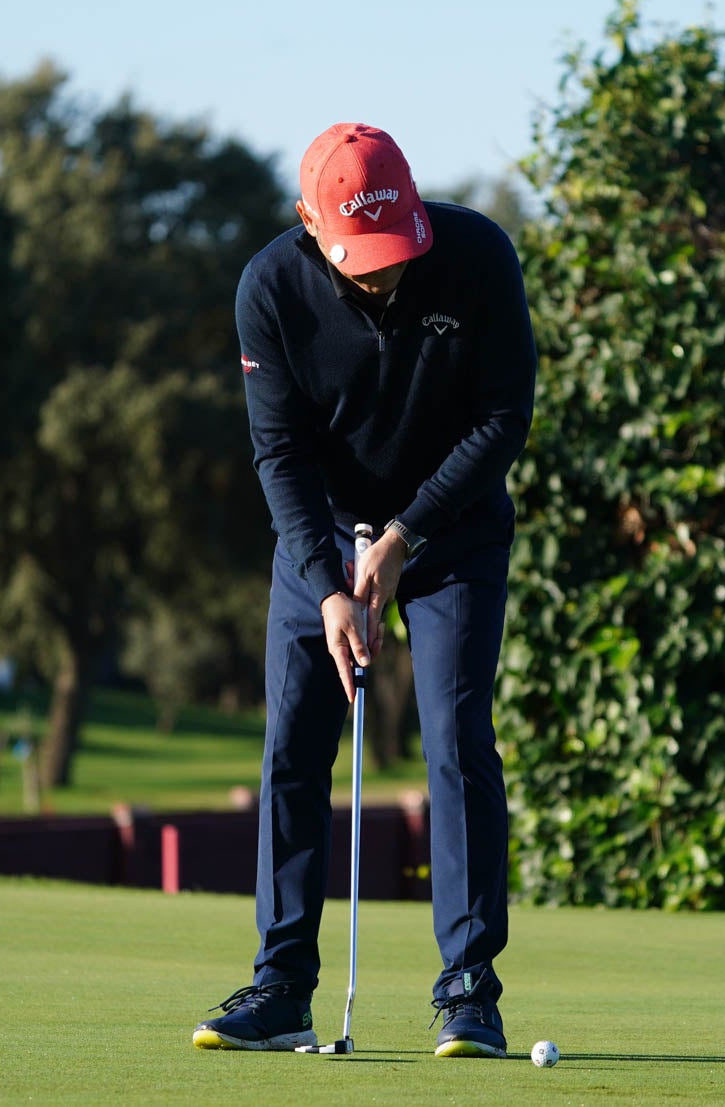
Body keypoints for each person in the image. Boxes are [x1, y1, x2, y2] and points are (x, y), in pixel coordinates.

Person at [193, 123, 535, 1058]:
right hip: (322, 538)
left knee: (458, 739)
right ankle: (282, 986)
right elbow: (280, 453)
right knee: (292, 746)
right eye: (360, 260)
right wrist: (329, 583)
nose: (382, 276)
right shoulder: (269, 287)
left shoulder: (475, 257)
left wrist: (405, 536)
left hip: (453, 534)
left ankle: (469, 988)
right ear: (309, 222)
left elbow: (506, 417)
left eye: (393, 254)